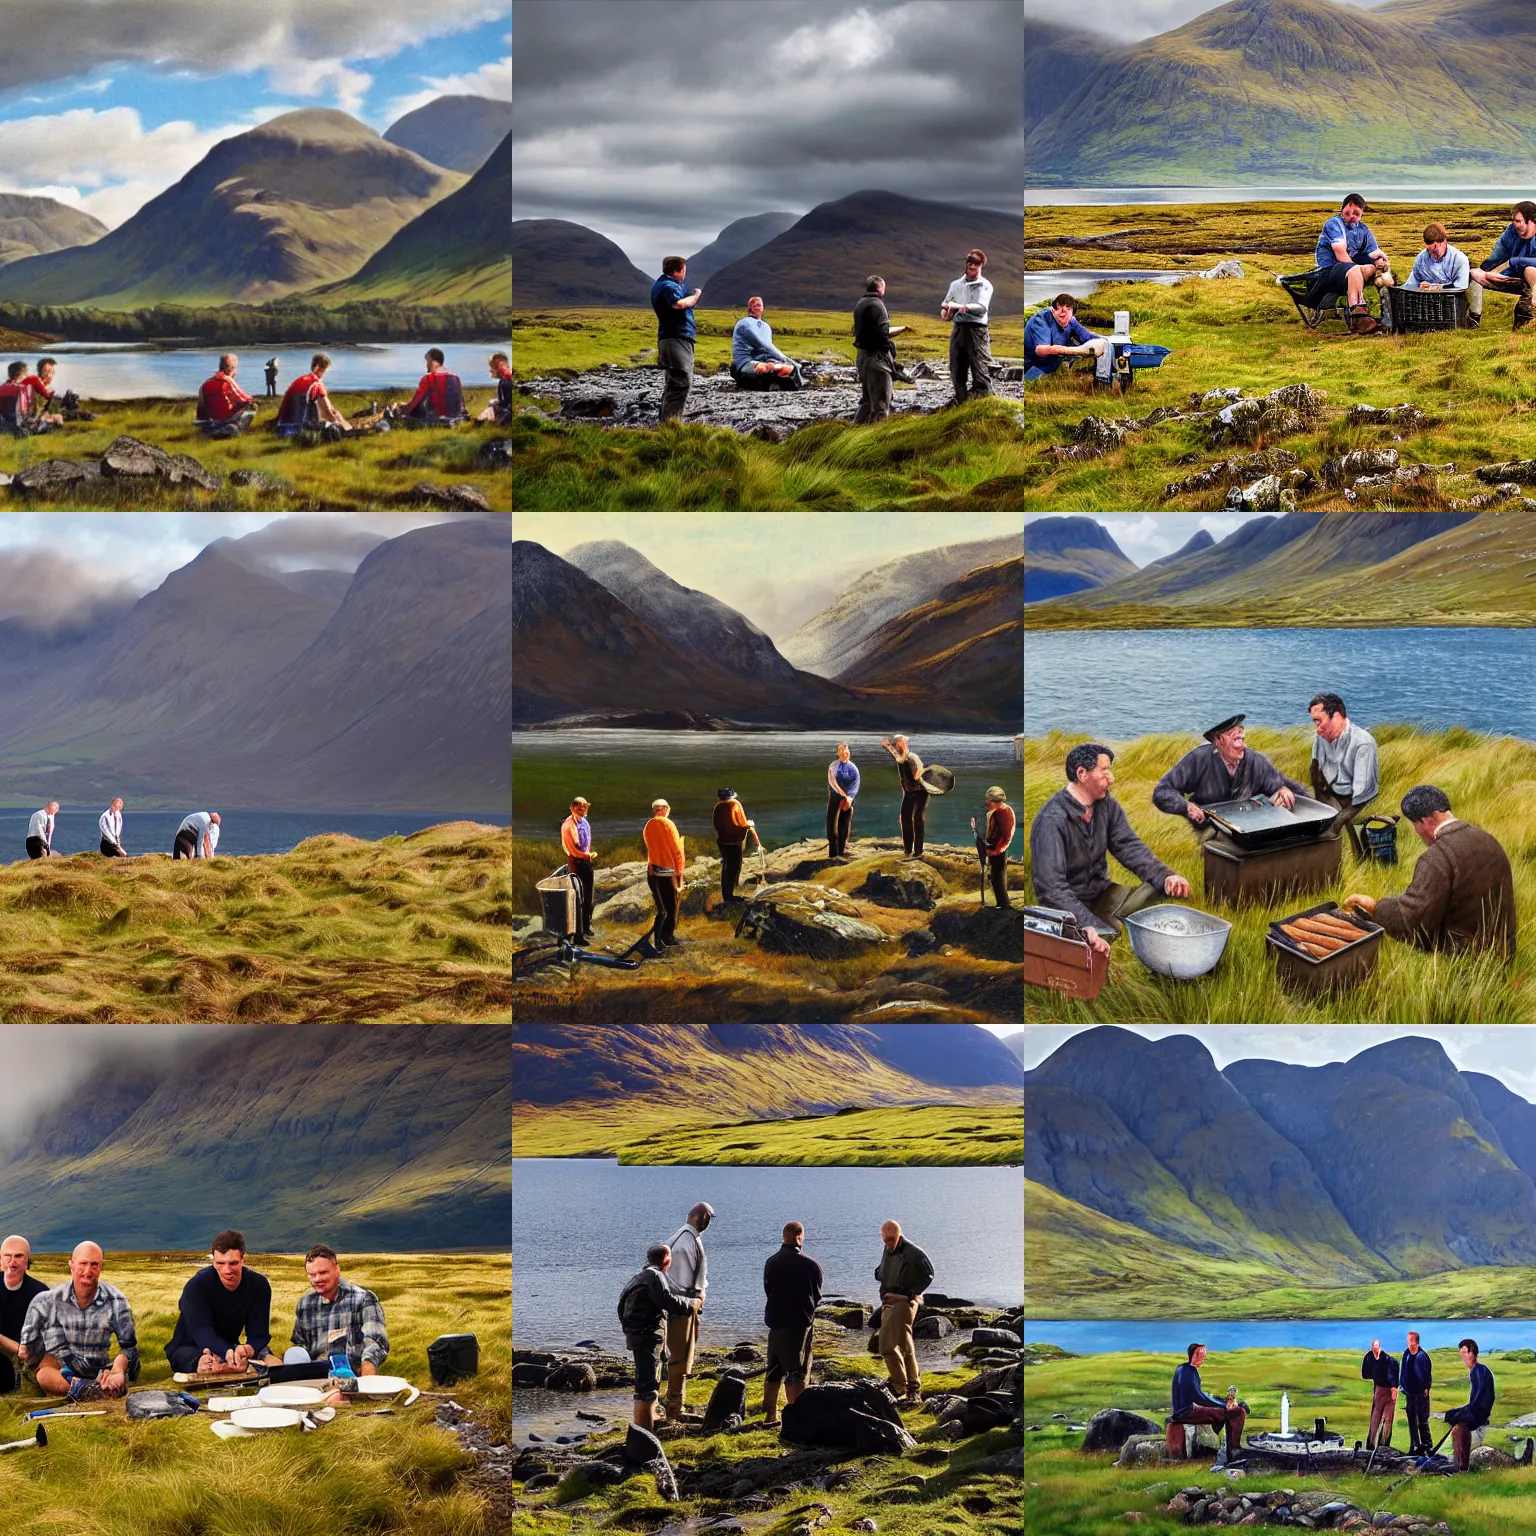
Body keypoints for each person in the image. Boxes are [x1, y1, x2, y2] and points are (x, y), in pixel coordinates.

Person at [1029, 743, 1191, 954]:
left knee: (1157, 887)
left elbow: (1129, 846)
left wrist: (1166, 876)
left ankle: (1114, 926)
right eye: (1104, 770)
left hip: (1104, 895)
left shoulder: (1107, 805)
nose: (1111, 777)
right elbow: (1051, 890)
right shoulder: (1051, 820)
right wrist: (1089, 924)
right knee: (1106, 937)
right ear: (1082, 773)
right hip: (1068, 907)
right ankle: (1104, 931)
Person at [1346, 785, 1516, 960]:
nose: (1417, 832)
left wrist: (1375, 907)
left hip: (1465, 961)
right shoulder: (1488, 839)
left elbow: (1411, 922)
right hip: (1504, 953)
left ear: (1426, 820)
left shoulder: (1436, 859)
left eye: (1415, 824)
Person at [1153, 715, 1307, 845]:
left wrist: (1282, 789)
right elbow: (1162, 791)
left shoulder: (1255, 760)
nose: (1241, 744)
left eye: (1242, 737)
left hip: (1248, 828)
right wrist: (1185, 807)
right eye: (1235, 738)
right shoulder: (1198, 758)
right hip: (1211, 828)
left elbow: (1281, 783)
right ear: (1218, 740)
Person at [30, 1241, 139, 1401]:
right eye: (83, 1264)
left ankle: (92, 1388)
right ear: (71, 1265)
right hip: (63, 1371)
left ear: (101, 1266)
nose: (88, 1271)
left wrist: (118, 1370)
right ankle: (89, 1390)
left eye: (94, 1265)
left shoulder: (116, 1301)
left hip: (100, 1370)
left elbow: (129, 1350)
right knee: (44, 1374)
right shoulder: (52, 1302)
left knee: (120, 1364)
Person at [164, 1230, 281, 1376]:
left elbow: (259, 1334)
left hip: (230, 1346)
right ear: (213, 1261)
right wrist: (226, 1352)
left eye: (233, 1263)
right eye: (220, 1263)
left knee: (274, 1363)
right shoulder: (197, 1286)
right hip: (189, 1347)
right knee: (206, 1364)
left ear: (242, 1259)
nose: (227, 1270)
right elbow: (200, 1330)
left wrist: (248, 1349)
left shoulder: (258, 1285)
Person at [617, 1242, 700, 1432]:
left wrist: (629, 1331)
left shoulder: (639, 1276)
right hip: (647, 1337)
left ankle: (648, 1424)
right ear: (666, 1260)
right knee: (647, 1389)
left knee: (648, 1381)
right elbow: (668, 1301)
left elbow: (620, 1307)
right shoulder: (655, 1276)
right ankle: (645, 1433)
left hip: (638, 1336)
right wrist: (692, 1304)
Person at [290, 1245, 388, 1377]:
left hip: (354, 1377)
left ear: (337, 1269)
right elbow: (300, 1345)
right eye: (312, 1275)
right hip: (316, 1380)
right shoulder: (305, 1304)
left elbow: (376, 1340)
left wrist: (367, 1377)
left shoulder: (363, 1299)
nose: (317, 1279)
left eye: (323, 1272)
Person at [762, 1220, 822, 1427]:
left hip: (776, 1322)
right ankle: (796, 1415)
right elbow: (817, 1295)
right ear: (799, 1237)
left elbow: (768, 1290)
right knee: (796, 1371)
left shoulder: (771, 1262)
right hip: (798, 1325)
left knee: (773, 1369)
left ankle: (770, 1414)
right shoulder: (811, 1265)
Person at [1306, 193, 1395, 334]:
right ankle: (1357, 315)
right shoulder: (1334, 224)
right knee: (1355, 270)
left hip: (1350, 270)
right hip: (1329, 271)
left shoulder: (1363, 230)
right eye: (1348, 212)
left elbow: (1373, 252)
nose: (1351, 216)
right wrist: (1357, 268)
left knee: (1371, 268)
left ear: (1361, 215)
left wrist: (1380, 261)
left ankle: (1385, 315)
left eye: (1356, 214)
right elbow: (1340, 254)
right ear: (1342, 210)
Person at [1308, 692, 1379, 857]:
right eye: (1314, 723)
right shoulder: (1321, 739)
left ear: (1337, 715)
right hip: (1333, 793)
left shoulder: (1363, 743)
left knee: (1340, 827)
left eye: (1319, 721)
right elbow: (1315, 769)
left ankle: (1360, 859)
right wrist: (1321, 804)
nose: (1317, 730)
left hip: (1359, 798)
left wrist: (1337, 821)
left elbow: (1361, 794)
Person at [875, 1220, 933, 1407]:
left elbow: (929, 1274)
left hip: (904, 1303)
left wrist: (905, 1296)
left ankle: (903, 1386)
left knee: (890, 1345)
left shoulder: (913, 1253)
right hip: (889, 1302)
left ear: (898, 1235)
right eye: (884, 1239)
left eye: (890, 1239)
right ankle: (908, 1385)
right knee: (898, 1345)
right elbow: (885, 1272)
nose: (887, 1243)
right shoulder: (888, 1248)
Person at [664, 1201, 712, 1422]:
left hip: (676, 1305)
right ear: (698, 1218)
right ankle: (674, 1408)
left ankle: (668, 1404)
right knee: (680, 1359)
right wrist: (697, 1299)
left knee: (671, 1357)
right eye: (707, 1218)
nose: (709, 1223)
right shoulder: (687, 1241)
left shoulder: (682, 1236)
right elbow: (684, 1282)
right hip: (682, 1307)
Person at [1170, 1343, 1248, 1462]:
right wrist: (1223, 1405)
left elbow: (1199, 1394)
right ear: (1195, 1354)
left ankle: (1230, 1449)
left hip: (1184, 1410)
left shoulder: (1184, 1369)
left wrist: (1219, 1400)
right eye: (1202, 1355)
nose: (1204, 1358)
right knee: (1237, 1412)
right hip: (1186, 1412)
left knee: (1226, 1408)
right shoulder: (1188, 1371)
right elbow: (1198, 1397)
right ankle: (1234, 1450)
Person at [1469, 200, 1536, 330]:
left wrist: (1515, 261)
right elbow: (1497, 256)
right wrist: (1483, 271)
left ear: (1532, 221)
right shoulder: (1511, 232)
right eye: (1514, 221)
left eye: (1518, 221)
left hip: (1533, 280)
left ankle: (1524, 329)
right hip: (1512, 276)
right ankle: (1473, 321)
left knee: (1530, 270)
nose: (1515, 224)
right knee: (1474, 276)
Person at [651, 256, 703, 423]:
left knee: (672, 381)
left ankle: (666, 423)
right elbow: (678, 304)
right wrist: (695, 296)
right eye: (683, 271)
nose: (685, 275)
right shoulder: (668, 286)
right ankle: (671, 425)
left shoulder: (661, 285)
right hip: (677, 337)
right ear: (676, 271)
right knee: (681, 381)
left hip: (668, 337)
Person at [853, 276, 909, 425]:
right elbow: (883, 333)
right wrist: (889, 349)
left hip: (862, 357)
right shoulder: (878, 305)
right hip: (876, 361)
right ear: (880, 288)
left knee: (867, 401)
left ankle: (853, 433)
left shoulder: (861, 303)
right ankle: (878, 441)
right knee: (882, 405)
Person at [1402, 223, 1482, 326]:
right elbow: (1411, 283)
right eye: (1430, 251)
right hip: (1428, 301)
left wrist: (1438, 288)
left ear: (1444, 241)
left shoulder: (1459, 259)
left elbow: (1460, 288)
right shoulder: (1421, 258)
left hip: (1452, 299)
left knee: (1476, 280)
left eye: (1435, 251)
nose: (1433, 255)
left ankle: (1473, 319)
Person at [942, 249, 994, 404]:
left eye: (975, 263)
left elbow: (981, 308)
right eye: (969, 261)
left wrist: (961, 306)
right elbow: (946, 303)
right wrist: (947, 311)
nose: (971, 265)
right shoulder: (955, 285)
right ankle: (961, 400)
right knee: (956, 368)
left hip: (977, 330)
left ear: (981, 265)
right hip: (958, 328)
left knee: (980, 369)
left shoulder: (985, 285)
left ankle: (983, 401)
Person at [0, 1236, 47, 1395]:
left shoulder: (41, 1294)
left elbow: (32, 1350)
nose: (12, 1262)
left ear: (27, 1261)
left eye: (18, 1256)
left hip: (19, 1363)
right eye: (7, 1256)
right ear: (0, 1260)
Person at [1024, 293, 1104, 379]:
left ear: (1072, 310)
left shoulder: (1071, 320)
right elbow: (1041, 350)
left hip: (1054, 363)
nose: (1062, 311)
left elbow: (1087, 336)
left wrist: (1104, 341)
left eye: (1068, 308)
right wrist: (1078, 350)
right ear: (1054, 309)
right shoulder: (1041, 320)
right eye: (1058, 308)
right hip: (1033, 364)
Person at [730, 297, 804, 391]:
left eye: (759, 305)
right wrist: (787, 360)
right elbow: (763, 345)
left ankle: (790, 389)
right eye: (754, 305)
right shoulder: (745, 324)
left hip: (763, 360)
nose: (757, 307)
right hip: (745, 362)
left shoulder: (765, 326)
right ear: (750, 308)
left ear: (763, 308)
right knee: (768, 368)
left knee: (787, 369)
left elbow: (766, 350)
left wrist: (785, 363)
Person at [1444, 1338, 1494, 1471]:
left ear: (1472, 1352)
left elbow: (1477, 1403)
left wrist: (1458, 1414)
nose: (1463, 1357)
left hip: (1479, 1417)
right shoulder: (1478, 1371)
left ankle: (1461, 1468)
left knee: (1459, 1428)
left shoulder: (1479, 1371)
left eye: (1465, 1353)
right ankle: (1459, 1466)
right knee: (1457, 1423)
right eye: (1461, 1354)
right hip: (1478, 1413)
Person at [642, 798, 686, 947]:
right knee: (671, 907)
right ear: (667, 809)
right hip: (667, 873)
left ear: (655, 810)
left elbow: (650, 849)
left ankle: (658, 940)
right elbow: (677, 851)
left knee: (661, 910)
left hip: (653, 872)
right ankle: (668, 938)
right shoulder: (669, 824)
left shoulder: (648, 825)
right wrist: (680, 873)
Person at [276, 353, 352, 436]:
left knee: (329, 413)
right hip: (299, 431)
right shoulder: (316, 384)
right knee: (332, 427)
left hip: (281, 429)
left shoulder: (302, 380)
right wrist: (344, 426)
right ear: (318, 367)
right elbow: (327, 414)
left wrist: (337, 415)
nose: (325, 372)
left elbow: (330, 408)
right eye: (325, 369)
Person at [880, 735, 930, 857]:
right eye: (896, 743)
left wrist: (915, 777)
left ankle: (918, 851)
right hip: (909, 793)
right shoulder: (900, 758)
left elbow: (919, 771)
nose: (897, 744)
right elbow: (896, 756)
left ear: (903, 743)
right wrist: (888, 747)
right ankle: (907, 850)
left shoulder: (912, 757)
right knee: (905, 818)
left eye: (899, 742)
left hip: (921, 791)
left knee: (917, 818)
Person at [195, 354, 257, 437]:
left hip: (213, 419)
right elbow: (246, 399)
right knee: (252, 406)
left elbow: (201, 408)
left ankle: (213, 429)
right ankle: (236, 428)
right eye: (235, 368)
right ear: (231, 368)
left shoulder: (205, 384)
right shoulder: (228, 380)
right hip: (227, 418)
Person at [400, 347, 466, 424]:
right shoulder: (456, 377)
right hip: (455, 416)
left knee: (409, 408)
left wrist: (402, 410)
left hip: (434, 418)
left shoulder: (428, 378)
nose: (426, 365)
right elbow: (462, 403)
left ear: (431, 360)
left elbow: (414, 404)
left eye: (427, 361)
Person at [561, 796, 595, 944]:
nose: (582, 809)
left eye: (584, 807)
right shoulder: (568, 825)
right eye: (579, 807)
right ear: (572, 808)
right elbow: (573, 850)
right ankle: (578, 935)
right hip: (576, 862)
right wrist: (586, 855)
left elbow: (587, 842)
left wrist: (588, 855)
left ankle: (586, 927)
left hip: (586, 861)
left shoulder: (585, 823)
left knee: (588, 897)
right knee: (579, 898)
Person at [713, 789, 756, 903]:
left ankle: (727, 895)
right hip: (733, 842)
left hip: (723, 842)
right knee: (733, 868)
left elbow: (718, 824)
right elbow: (740, 824)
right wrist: (749, 825)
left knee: (726, 868)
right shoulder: (734, 804)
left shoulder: (718, 806)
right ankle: (730, 897)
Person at [976, 786, 1016, 909]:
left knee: (997, 876)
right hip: (996, 848)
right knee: (995, 876)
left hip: (998, 849)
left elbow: (1003, 834)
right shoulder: (997, 811)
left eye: (989, 800)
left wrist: (994, 847)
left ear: (996, 801)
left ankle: (1003, 903)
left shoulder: (1002, 812)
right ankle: (1002, 902)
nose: (986, 802)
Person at [1362, 1337, 1399, 1450]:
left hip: (1388, 1389)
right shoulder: (1369, 1357)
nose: (1375, 1352)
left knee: (1387, 1419)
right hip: (1379, 1389)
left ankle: (1383, 1445)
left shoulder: (1388, 1361)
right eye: (1374, 1349)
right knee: (1376, 1417)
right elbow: (1365, 1373)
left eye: (1376, 1349)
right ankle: (1372, 1444)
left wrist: (1393, 1389)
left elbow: (1391, 1376)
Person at [1401, 1331, 1433, 1458]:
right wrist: (1402, 1386)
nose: (1408, 1342)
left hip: (1421, 1393)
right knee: (1412, 1420)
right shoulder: (1406, 1354)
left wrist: (1426, 1387)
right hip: (1410, 1392)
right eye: (1408, 1340)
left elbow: (1427, 1373)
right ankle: (1414, 1446)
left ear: (1415, 1341)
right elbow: (1403, 1371)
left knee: (1422, 1420)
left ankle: (1427, 1446)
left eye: (1410, 1340)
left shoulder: (1422, 1356)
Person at [826, 742, 860, 858]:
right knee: (832, 826)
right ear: (838, 753)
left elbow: (855, 784)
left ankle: (842, 850)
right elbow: (833, 783)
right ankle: (833, 852)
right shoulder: (833, 766)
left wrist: (849, 798)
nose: (845, 753)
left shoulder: (853, 768)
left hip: (848, 800)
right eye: (842, 751)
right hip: (835, 799)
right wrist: (843, 796)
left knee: (844, 825)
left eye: (847, 751)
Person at [479, 352, 513, 423]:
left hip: (509, 416)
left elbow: (509, 406)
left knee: (489, 410)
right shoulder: (504, 380)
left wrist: (494, 408)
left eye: (491, 366)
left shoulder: (507, 379)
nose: (490, 370)